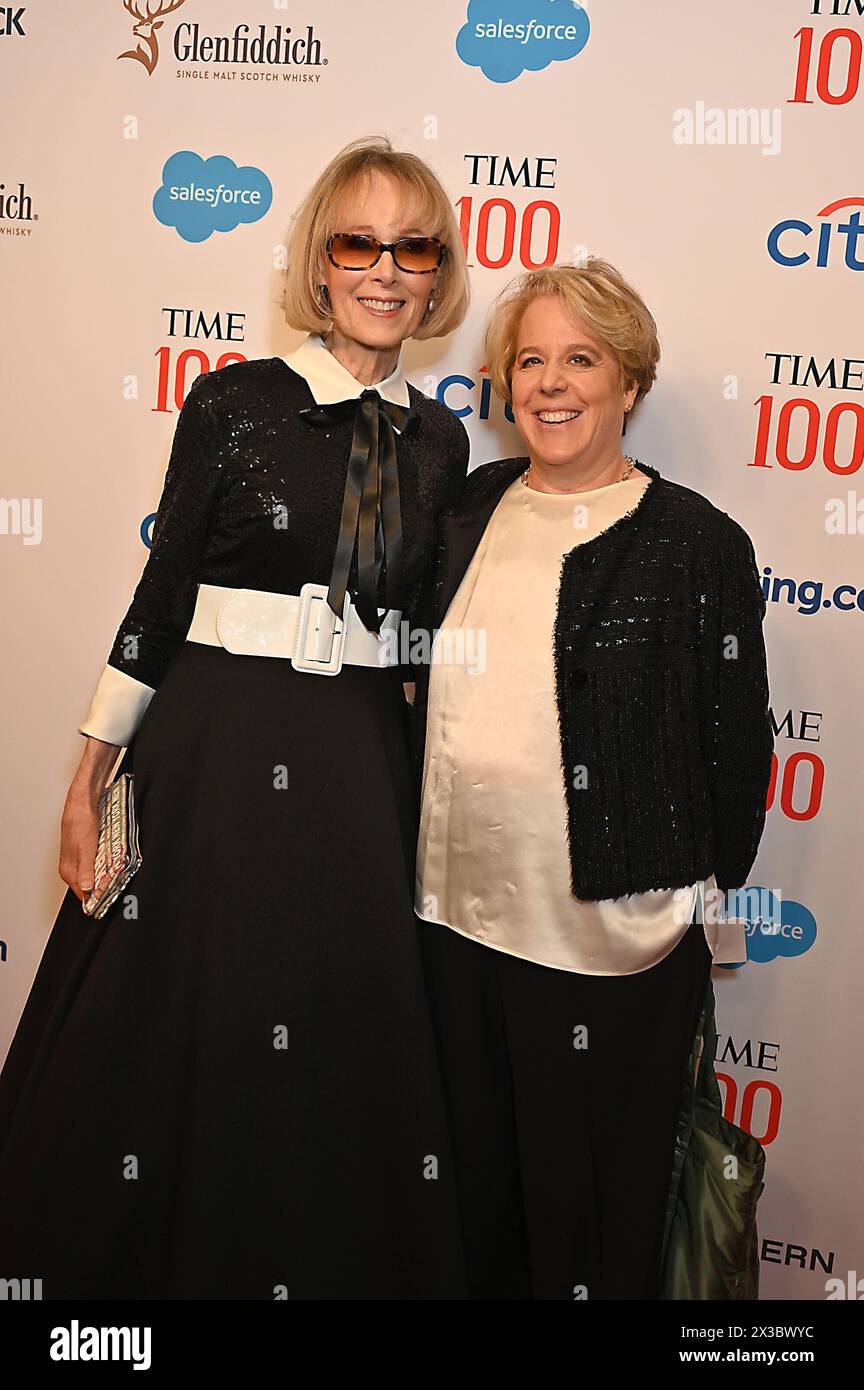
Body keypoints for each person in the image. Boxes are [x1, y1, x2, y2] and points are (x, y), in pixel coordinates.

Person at [0, 136, 472, 1300]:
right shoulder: (232, 402)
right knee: (181, 1010)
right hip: (217, 742)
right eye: (358, 241)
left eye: (412, 246)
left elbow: (415, 629)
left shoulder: (443, 440)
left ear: (437, 272)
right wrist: (90, 769)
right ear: (320, 263)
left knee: (331, 1019)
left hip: (361, 758)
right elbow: (161, 599)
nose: (384, 268)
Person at [410, 259, 774, 1300]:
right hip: (452, 930)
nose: (553, 383)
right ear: (504, 381)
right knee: (472, 1208)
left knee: (591, 1231)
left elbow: (736, 749)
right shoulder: (470, 508)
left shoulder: (696, 543)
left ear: (629, 381)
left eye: (582, 358)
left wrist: (692, 914)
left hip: (608, 951)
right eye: (532, 359)